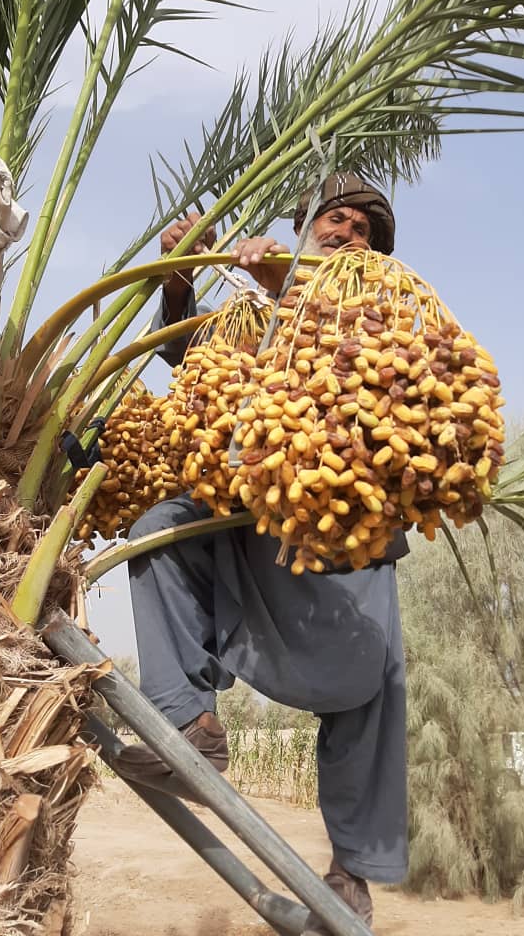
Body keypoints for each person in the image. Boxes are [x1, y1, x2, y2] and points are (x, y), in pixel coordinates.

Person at [115, 173, 408, 934]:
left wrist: (291, 290)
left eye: (356, 226)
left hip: (341, 534)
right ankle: (189, 725)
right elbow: (195, 368)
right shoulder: (255, 310)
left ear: (372, 245)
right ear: (307, 224)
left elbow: (378, 369)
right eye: (329, 220)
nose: (341, 232)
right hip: (252, 523)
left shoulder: (393, 301)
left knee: (372, 684)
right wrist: (180, 282)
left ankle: (350, 875)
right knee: (155, 528)